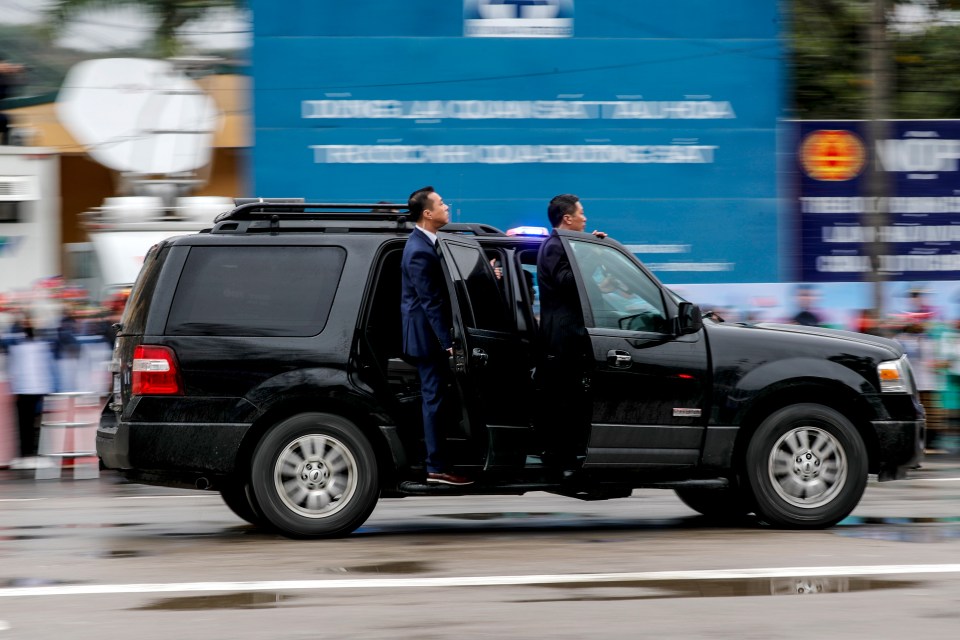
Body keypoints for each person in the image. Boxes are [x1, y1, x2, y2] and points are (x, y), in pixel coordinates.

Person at [400, 186, 473, 486]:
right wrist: (448, 344)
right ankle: (436, 467)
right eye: (442, 203)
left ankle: (440, 462)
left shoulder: (428, 243)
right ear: (427, 213)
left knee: (437, 399)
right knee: (433, 400)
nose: (447, 206)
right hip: (426, 339)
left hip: (428, 337)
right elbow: (431, 301)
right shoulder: (418, 249)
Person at [535, 193, 606, 477]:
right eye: (581, 213)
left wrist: (592, 250)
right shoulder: (554, 247)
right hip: (562, 338)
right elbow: (568, 283)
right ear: (568, 218)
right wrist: (588, 252)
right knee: (563, 399)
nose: (585, 218)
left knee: (574, 396)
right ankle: (560, 459)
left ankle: (571, 453)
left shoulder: (567, 246)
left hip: (573, 336)